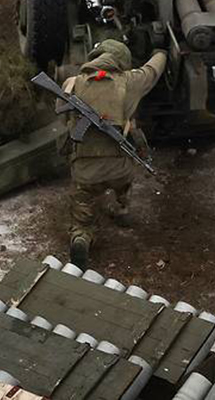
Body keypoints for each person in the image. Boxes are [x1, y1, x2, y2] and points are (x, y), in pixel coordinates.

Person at [63, 38, 167, 267]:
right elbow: (153, 69)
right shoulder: (131, 81)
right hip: (120, 169)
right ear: (122, 62)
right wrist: (162, 51)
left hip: (85, 170)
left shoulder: (71, 84)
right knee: (124, 180)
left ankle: (81, 235)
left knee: (83, 201)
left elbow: (63, 119)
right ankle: (122, 208)